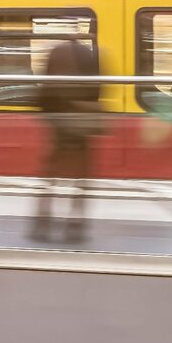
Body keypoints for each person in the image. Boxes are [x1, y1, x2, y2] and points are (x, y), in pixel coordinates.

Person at [30, 40, 104, 243]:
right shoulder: (89, 54)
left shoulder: (56, 51)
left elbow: (45, 90)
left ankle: (42, 222)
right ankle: (76, 224)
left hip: (60, 122)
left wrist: (48, 115)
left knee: (51, 174)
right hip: (83, 122)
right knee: (81, 176)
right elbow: (98, 89)